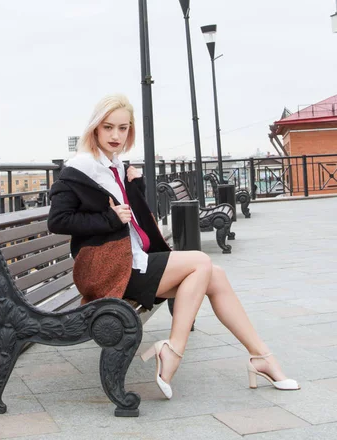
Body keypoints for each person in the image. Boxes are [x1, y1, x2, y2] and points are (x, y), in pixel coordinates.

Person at [48, 94, 300, 400]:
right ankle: (173, 350)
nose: (116, 135)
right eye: (108, 127)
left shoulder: (114, 166)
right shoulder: (80, 169)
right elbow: (59, 220)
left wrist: (135, 188)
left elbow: (132, 219)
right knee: (200, 262)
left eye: (123, 128)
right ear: (95, 130)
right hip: (105, 268)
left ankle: (261, 356)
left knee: (214, 275)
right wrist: (108, 218)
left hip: (129, 260)